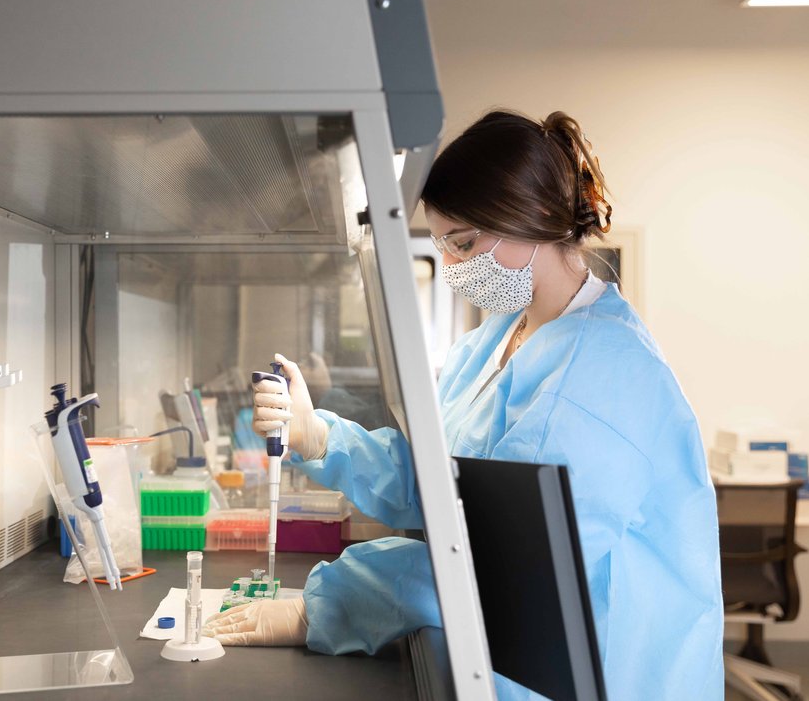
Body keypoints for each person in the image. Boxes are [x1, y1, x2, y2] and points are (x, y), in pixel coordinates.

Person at [204, 110, 724, 700]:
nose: (451, 267)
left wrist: (326, 604)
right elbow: (443, 480)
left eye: (465, 244)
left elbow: (500, 570)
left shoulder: (597, 378)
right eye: (444, 246)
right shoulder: (498, 341)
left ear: (530, 219)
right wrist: (319, 436)